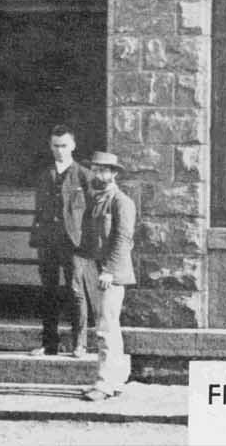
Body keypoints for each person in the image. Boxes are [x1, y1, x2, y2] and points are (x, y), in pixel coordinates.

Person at [28, 124, 91, 357]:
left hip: (73, 244)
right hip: (47, 242)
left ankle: (80, 343)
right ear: (50, 146)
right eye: (55, 146)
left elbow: (92, 212)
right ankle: (49, 344)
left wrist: (88, 242)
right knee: (48, 291)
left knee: (75, 291)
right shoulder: (44, 175)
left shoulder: (84, 175)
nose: (60, 151)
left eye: (64, 146)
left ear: (73, 145)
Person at [79, 151, 137, 401]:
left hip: (110, 273)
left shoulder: (121, 202)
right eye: (95, 169)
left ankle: (103, 384)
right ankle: (117, 380)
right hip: (96, 268)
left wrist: (109, 271)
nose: (98, 174)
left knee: (104, 329)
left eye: (104, 170)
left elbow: (123, 239)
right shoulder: (96, 200)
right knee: (110, 326)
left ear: (114, 173)